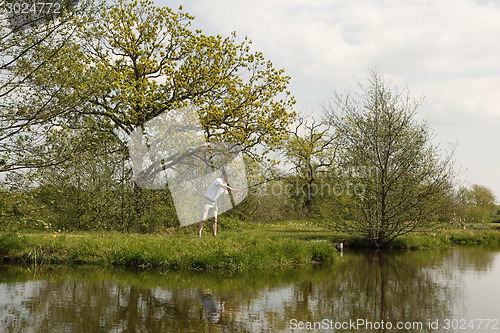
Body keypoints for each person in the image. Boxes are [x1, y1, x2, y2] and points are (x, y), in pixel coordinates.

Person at [197, 170, 240, 237]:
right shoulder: (218, 180)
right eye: (226, 175)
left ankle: (214, 235)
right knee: (202, 218)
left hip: (214, 202)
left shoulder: (225, 184)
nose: (227, 177)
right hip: (207, 201)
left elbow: (225, 193)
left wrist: (229, 194)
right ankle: (199, 234)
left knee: (214, 220)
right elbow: (223, 186)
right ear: (222, 175)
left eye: (228, 176)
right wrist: (233, 189)